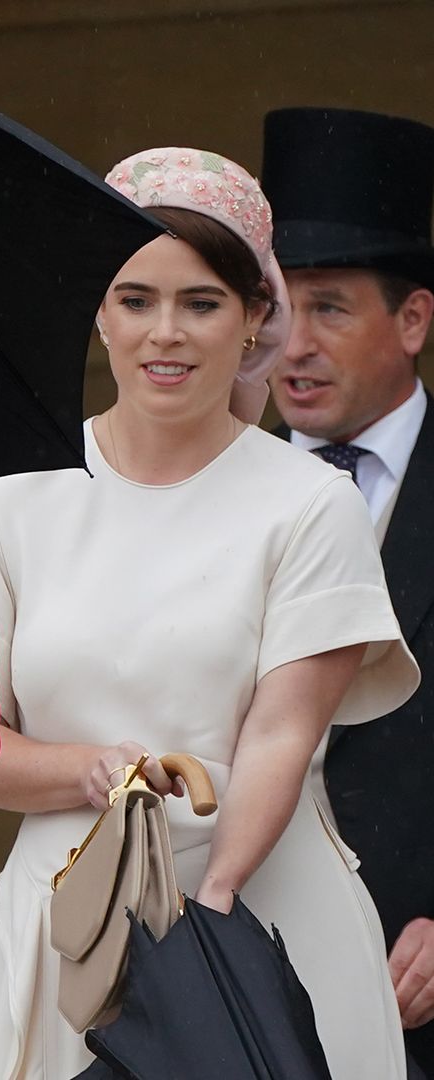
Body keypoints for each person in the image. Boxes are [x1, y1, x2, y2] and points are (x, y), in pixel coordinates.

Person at [0, 146, 419, 1080]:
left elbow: (282, 734)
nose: (164, 332)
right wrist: (89, 771)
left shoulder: (309, 502)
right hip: (70, 923)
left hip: (259, 911)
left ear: (255, 319)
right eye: (136, 299)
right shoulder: (5, 500)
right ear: (98, 307)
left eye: (201, 303)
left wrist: (204, 927)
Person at [263, 106, 434, 1078]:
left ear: (412, 320)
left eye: (328, 308)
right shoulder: (215, 492)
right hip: (243, 988)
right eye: (278, 311)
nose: (293, 346)